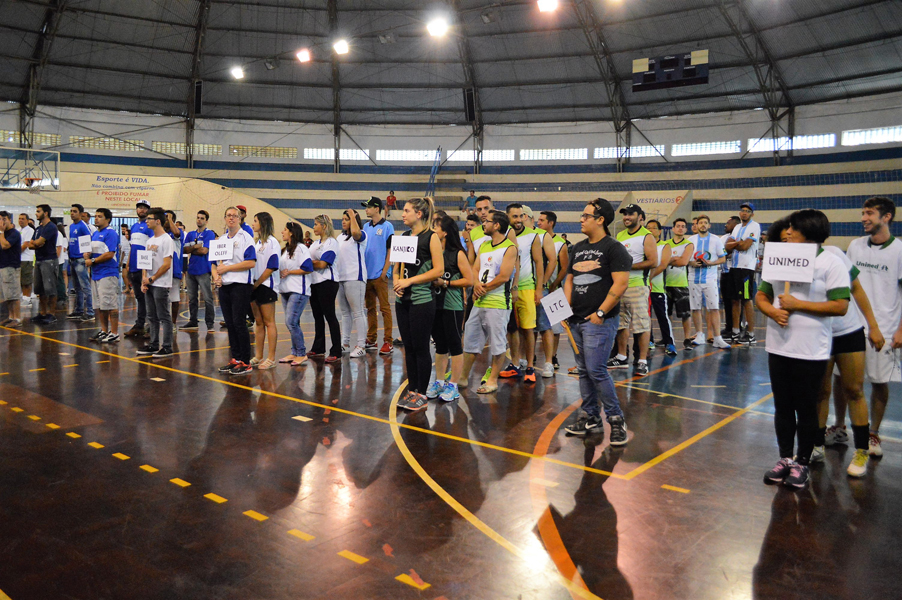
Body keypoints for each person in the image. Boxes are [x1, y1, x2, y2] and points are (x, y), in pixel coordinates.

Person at [756, 209, 850, 489]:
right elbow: (762, 295)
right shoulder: (779, 257)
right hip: (779, 346)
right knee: (782, 406)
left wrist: (798, 305)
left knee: (806, 408)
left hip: (811, 350)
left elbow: (840, 305)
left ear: (808, 232)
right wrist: (772, 312)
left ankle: (803, 462)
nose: (787, 232)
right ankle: (785, 458)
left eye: (792, 228)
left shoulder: (831, 263)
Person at [562, 199, 631, 444]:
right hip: (576, 319)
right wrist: (566, 307)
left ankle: (616, 418)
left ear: (600, 219)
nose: (581, 219)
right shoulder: (578, 247)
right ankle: (591, 416)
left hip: (598, 321)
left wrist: (600, 313)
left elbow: (621, 283)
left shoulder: (614, 248)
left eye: (586, 215)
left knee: (597, 370)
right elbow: (569, 278)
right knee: (583, 370)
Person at [813, 242, 878, 477]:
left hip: (848, 332)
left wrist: (873, 325)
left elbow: (857, 288)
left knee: (854, 390)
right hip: (819, 333)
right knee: (820, 391)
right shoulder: (793, 260)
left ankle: (861, 450)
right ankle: (816, 445)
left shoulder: (834, 254)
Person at [846, 196, 902, 457]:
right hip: (850, 327)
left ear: (886, 216)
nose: (863, 218)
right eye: (862, 213)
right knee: (842, 381)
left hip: (885, 329)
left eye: (869, 213)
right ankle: (836, 427)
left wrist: (900, 330)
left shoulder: (899, 251)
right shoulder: (855, 246)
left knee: (879, 383)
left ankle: (874, 434)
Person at [394, 198, 444, 411]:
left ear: (419, 214)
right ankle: (412, 389)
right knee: (409, 347)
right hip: (401, 300)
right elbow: (397, 267)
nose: (403, 214)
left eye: (406, 211)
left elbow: (438, 270)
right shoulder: (404, 237)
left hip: (422, 300)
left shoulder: (430, 237)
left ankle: (421, 393)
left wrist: (410, 281)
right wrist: (396, 281)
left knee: (421, 347)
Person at [460, 210, 517, 395]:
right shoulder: (484, 245)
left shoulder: (510, 248)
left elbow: (504, 276)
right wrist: (476, 284)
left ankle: (492, 380)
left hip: (498, 303)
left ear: (497, 225)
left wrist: (484, 287)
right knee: (470, 339)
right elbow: (475, 268)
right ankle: (462, 377)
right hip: (479, 302)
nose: (483, 224)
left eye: (487, 222)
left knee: (497, 344)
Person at [425, 214, 474, 403]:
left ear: (445, 233)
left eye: (435, 227)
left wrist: (445, 282)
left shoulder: (457, 254)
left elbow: (469, 280)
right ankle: (439, 381)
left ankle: (453, 385)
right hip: (434, 304)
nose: (432, 231)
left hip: (452, 305)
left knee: (454, 344)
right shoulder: (432, 252)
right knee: (440, 344)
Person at [499, 203, 546, 383]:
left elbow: (539, 263)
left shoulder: (533, 236)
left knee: (528, 329)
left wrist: (539, 289)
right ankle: (515, 364)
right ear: (507, 217)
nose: (519, 220)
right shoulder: (502, 236)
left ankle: (530, 367)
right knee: (511, 329)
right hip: (504, 289)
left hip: (527, 288)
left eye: (521, 216)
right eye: (515, 217)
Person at [609, 204, 656, 375]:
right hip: (620, 286)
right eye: (625, 214)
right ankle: (621, 356)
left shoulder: (647, 236)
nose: (627, 217)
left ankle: (642, 360)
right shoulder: (620, 235)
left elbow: (653, 261)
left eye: (631, 214)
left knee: (641, 324)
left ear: (640, 216)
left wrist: (628, 266)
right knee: (621, 323)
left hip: (638, 286)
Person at [212, 207, 256, 375]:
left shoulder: (246, 238)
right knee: (230, 324)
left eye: (235, 216)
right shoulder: (221, 239)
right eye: (228, 215)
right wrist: (216, 276)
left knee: (239, 323)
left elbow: (251, 262)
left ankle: (246, 361)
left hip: (240, 285)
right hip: (225, 286)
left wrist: (228, 269)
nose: (231, 218)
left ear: (240, 219)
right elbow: (215, 263)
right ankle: (236, 358)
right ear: (224, 218)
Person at [687, 215, 730, 349]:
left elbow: (723, 259)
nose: (703, 225)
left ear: (709, 225)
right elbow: (686, 259)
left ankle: (717, 337)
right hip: (693, 278)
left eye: (705, 223)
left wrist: (711, 263)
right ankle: (700, 335)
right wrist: (692, 263)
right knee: (695, 307)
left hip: (710, 279)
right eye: (700, 223)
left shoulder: (716, 240)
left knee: (714, 308)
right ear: (696, 225)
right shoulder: (691, 240)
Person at [137, 208, 174, 358]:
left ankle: (167, 346)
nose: (146, 221)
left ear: (157, 221)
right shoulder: (149, 240)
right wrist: (144, 280)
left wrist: (152, 278)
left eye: (149, 218)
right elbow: (145, 262)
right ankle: (153, 344)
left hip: (161, 283)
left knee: (164, 316)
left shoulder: (167, 240)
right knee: (151, 316)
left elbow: (167, 264)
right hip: (150, 283)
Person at [536, 210, 569, 376]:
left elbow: (564, 267)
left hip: (553, 289)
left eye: (542, 220)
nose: (538, 222)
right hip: (537, 289)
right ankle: (532, 356)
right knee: (534, 325)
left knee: (555, 327)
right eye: (538, 220)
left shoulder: (560, 243)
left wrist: (554, 284)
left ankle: (553, 356)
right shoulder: (536, 239)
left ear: (551, 223)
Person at [361, 197, 395, 355]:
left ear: (377, 208)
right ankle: (371, 338)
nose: (366, 210)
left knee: (385, 308)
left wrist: (384, 272)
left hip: (379, 275)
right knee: (370, 308)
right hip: (367, 275)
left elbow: (391, 250)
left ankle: (388, 341)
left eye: (368, 207)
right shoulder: (365, 227)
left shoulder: (388, 226)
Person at [278, 222, 314, 366]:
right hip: (285, 290)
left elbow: (308, 267)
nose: (282, 232)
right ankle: (294, 352)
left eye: (285, 230)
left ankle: (301, 353)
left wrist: (290, 272)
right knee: (294, 322)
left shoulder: (301, 249)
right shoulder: (285, 250)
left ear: (292, 232)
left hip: (299, 290)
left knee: (291, 322)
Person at [724, 203, 761, 344]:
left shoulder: (754, 226)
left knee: (746, 299)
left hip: (746, 268)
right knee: (734, 300)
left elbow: (745, 246)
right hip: (734, 266)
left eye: (747, 211)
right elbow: (727, 247)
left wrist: (736, 244)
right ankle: (735, 331)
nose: (744, 213)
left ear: (752, 214)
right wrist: (737, 243)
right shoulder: (737, 227)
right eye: (742, 211)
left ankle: (751, 334)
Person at [307, 214, 341, 363]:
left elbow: (323, 264)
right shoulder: (315, 244)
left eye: (316, 224)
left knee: (330, 316)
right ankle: (319, 347)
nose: (314, 227)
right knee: (317, 316)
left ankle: (336, 350)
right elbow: (307, 261)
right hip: (314, 282)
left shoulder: (331, 243)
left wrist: (311, 263)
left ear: (324, 226)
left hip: (327, 282)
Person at [250, 212, 281, 369]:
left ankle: (271, 358)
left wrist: (258, 283)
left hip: (266, 285)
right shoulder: (257, 243)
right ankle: (258, 355)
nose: (253, 223)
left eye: (255, 221)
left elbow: (272, 266)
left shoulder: (272, 242)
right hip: (255, 285)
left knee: (269, 322)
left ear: (263, 223)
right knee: (259, 322)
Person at [336, 208, 368, 358]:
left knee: (358, 312)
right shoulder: (339, 238)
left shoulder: (361, 235)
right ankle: (345, 343)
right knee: (345, 313)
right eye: (343, 219)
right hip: (341, 279)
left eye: (347, 219)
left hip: (355, 277)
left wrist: (353, 217)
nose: (343, 221)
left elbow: (356, 233)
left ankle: (361, 345)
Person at [86, 208, 121, 344]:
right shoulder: (95, 234)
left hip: (108, 273)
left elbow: (110, 254)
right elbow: (94, 252)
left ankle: (114, 333)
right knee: (100, 305)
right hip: (96, 273)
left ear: (107, 219)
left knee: (110, 304)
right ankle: (104, 330)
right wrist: (87, 255)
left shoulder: (111, 234)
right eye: (95, 216)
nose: (96, 219)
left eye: (100, 216)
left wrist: (93, 261)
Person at [646, 220, 677, 356]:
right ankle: (649, 340)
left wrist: (649, 277)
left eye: (654, 228)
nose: (651, 230)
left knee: (662, 316)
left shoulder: (664, 246)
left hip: (657, 288)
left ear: (659, 231)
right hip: (644, 288)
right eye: (648, 228)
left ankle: (669, 342)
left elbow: (662, 265)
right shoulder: (644, 245)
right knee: (645, 317)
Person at [182, 210, 217, 331]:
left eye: (202, 218)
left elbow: (204, 251)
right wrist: (195, 247)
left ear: (206, 221)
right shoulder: (190, 234)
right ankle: (193, 321)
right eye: (198, 217)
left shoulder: (209, 234)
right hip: (191, 270)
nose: (199, 220)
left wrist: (192, 249)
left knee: (207, 298)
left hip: (204, 270)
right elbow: (184, 250)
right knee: (192, 298)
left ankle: (210, 323)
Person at [662, 218, 694, 349]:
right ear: (673, 229)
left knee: (685, 314)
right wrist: (673, 259)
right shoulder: (666, 244)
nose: (680, 228)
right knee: (666, 313)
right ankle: (667, 337)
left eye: (683, 226)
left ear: (686, 229)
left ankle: (687, 339)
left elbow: (683, 262)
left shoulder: (688, 244)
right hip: (665, 284)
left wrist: (669, 260)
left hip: (681, 284)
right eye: (678, 226)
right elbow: (661, 261)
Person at [27, 204, 59, 324]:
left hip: (49, 261)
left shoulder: (51, 227)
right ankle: (43, 313)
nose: (36, 213)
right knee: (40, 290)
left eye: (38, 211)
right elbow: (30, 245)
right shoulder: (38, 228)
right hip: (39, 260)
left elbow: (39, 242)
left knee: (50, 289)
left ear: (45, 213)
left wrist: (37, 243)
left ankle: (52, 314)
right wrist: (37, 243)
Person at [125, 199, 152, 337]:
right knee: (139, 298)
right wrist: (129, 263)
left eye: (144, 208)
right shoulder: (134, 227)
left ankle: (149, 326)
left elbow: (153, 247)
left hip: (144, 268)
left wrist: (146, 269)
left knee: (148, 298)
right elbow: (132, 247)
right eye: (139, 207)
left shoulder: (150, 226)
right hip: (134, 268)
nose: (141, 210)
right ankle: (140, 324)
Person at [66, 204, 94, 322]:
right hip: (72, 259)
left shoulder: (83, 226)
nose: (72, 213)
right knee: (77, 287)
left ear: (81, 214)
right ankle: (78, 310)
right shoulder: (72, 226)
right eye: (71, 211)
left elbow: (88, 241)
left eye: (75, 211)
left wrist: (86, 257)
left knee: (85, 286)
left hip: (80, 260)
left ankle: (90, 312)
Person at [719, 216, 740, 339]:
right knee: (726, 301)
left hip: (736, 272)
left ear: (736, 224)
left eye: (728, 223)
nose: (725, 225)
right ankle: (728, 326)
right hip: (724, 272)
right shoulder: (723, 238)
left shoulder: (740, 235)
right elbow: (722, 252)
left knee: (736, 301)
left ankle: (737, 326)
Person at [0, 212, 22, 327]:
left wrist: (1, 232)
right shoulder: (2, 234)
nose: (2, 222)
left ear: (9, 220)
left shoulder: (14, 233)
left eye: (4, 219)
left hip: (11, 267)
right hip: (2, 266)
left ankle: (17, 318)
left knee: (14, 294)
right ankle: (10, 317)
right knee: (7, 295)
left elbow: (5, 246)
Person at [164, 210, 184, 329]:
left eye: (168, 218)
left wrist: (170, 219)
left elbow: (176, 233)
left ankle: (173, 323)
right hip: (160, 269)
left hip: (174, 268)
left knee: (174, 296)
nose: (165, 220)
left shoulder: (177, 232)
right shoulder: (159, 233)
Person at [17, 213, 34, 308]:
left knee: (26, 280)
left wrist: (14, 253)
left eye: (23, 219)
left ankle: (27, 299)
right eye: (19, 218)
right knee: (20, 280)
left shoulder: (30, 230)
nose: (20, 220)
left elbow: (26, 244)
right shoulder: (18, 230)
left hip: (26, 258)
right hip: (18, 259)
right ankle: (23, 296)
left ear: (27, 220)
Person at [119, 225, 131, 293]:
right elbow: (123, 251)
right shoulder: (123, 240)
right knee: (124, 275)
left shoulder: (131, 242)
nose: (126, 235)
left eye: (127, 234)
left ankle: (131, 288)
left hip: (129, 261)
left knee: (129, 275)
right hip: (124, 260)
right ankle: (127, 288)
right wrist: (121, 260)